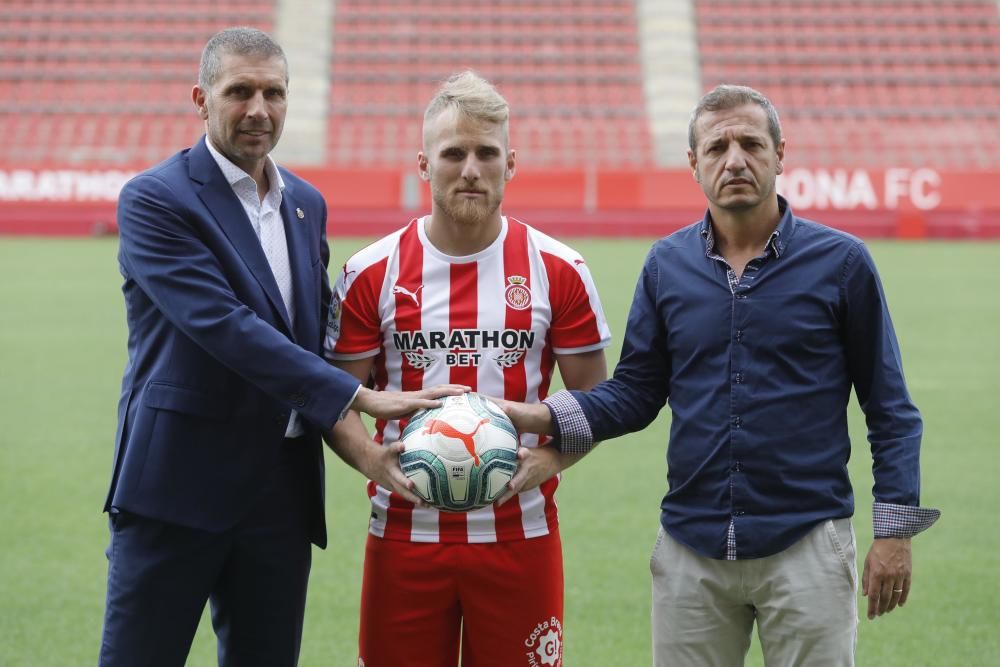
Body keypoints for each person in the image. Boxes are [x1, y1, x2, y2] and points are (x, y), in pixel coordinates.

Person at [501, 85, 940, 666]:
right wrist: (541, 416)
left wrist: (895, 532)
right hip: (692, 548)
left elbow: (890, 408)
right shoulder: (666, 264)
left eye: (751, 144)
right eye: (717, 147)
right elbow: (636, 391)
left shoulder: (842, 263)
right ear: (694, 164)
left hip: (807, 541)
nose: (735, 159)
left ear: (781, 154)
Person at [99, 27, 462, 667]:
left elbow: (312, 335)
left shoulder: (307, 204)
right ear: (201, 98)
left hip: (279, 498)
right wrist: (358, 395)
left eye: (274, 92)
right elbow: (223, 325)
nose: (259, 109)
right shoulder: (156, 200)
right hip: (176, 491)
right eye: (239, 91)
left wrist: (362, 447)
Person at [323, 71, 610, 667]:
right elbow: (336, 399)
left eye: (487, 153)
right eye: (453, 153)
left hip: (521, 536)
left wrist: (552, 459)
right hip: (403, 536)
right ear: (424, 165)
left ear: (511, 163)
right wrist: (372, 459)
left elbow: (596, 401)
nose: (471, 169)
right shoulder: (369, 273)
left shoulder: (559, 269)